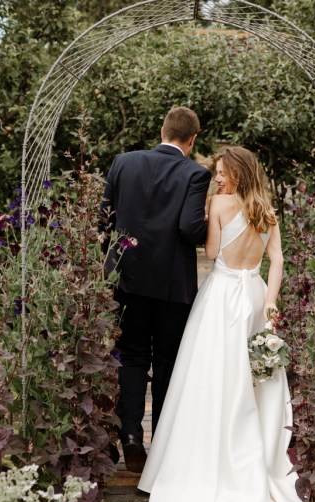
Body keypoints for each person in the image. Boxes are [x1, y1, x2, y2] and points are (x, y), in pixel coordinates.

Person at [138, 146, 306, 502]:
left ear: (238, 174)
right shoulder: (267, 210)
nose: (217, 178)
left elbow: (211, 252)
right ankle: (252, 456)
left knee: (210, 375)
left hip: (221, 297)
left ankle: (205, 459)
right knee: (253, 378)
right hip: (253, 296)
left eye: (222, 172)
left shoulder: (218, 204)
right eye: (216, 172)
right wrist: (270, 300)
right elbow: (277, 259)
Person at [100, 107, 211, 473]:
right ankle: (162, 442)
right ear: (192, 140)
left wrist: (114, 261)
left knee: (131, 356)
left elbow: (104, 218)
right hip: (171, 285)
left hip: (126, 280)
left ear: (162, 130)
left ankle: (130, 435)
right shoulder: (196, 173)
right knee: (166, 361)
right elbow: (190, 229)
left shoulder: (123, 162)